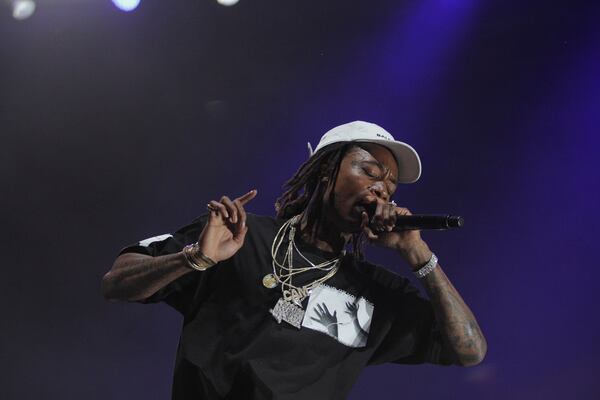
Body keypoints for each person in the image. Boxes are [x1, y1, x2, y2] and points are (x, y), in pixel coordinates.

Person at [102, 121, 487, 400]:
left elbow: (469, 350)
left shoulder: (375, 294)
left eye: (389, 185)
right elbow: (117, 281)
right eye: (369, 171)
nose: (381, 190)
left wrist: (416, 253)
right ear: (325, 170)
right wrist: (196, 258)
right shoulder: (240, 235)